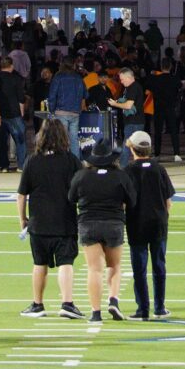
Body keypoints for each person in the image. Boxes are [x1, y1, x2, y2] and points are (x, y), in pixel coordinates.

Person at [17, 117, 84, 318]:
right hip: (65, 221)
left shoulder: (32, 159)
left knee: (39, 264)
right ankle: (67, 303)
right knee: (66, 263)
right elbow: (82, 190)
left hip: (39, 223)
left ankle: (37, 305)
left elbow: (21, 195)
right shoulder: (71, 160)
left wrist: (23, 219)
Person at [72, 136, 135, 324]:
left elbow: (70, 197)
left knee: (94, 269)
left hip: (88, 223)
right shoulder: (121, 176)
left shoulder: (81, 175)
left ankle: (95, 312)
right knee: (114, 266)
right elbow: (132, 201)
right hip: (114, 223)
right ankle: (113, 299)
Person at [125, 130, 176, 320]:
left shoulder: (128, 170)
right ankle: (159, 307)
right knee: (159, 265)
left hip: (136, 223)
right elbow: (168, 202)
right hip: (158, 224)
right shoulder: (159, 169)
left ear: (133, 148)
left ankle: (142, 309)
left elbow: (124, 201)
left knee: (139, 268)